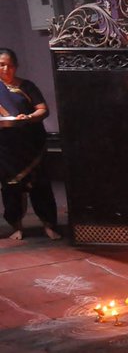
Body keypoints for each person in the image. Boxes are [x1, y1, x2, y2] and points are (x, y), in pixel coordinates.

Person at [0, 49, 59, 241]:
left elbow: (43, 109)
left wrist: (30, 117)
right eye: (1, 65)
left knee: (40, 184)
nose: (6, 69)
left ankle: (49, 225)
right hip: (7, 148)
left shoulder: (27, 86)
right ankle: (16, 226)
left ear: (16, 66)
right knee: (11, 187)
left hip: (32, 144)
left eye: (10, 65)